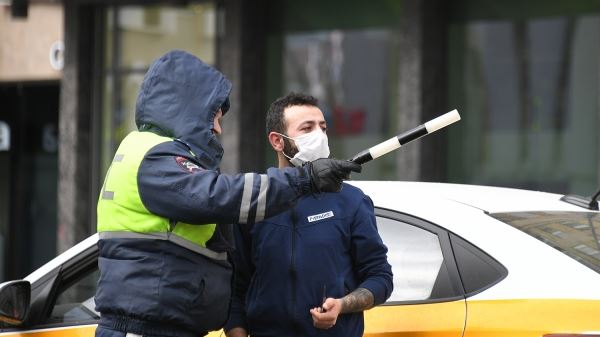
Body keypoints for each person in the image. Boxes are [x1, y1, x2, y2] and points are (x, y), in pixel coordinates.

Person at [94, 51, 361, 337]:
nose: (218, 128)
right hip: (145, 329)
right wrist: (303, 180)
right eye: (214, 117)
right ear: (188, 108)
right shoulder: (155, 154)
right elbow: (219, 196)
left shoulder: (151, 152)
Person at [224, 93, 393, 337]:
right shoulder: (254, 201)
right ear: (277, 141)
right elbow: (235, 289)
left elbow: (380, 277)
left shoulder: (351, 202)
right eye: (307, 128)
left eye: (323, 128)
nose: (319, 135)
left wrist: (342, 305)